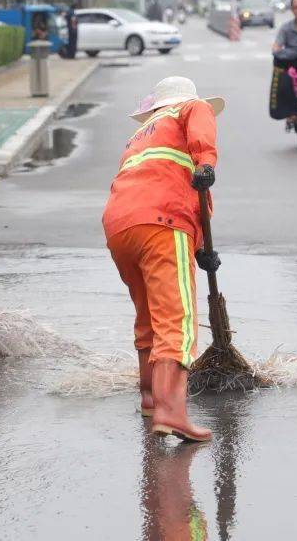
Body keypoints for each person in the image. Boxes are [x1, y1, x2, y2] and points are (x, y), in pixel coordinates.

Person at [103, 76, 225, 443]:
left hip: (120, 225)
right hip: (162, 221)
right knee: (177, 317)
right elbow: (194, 179)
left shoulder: (141, 137)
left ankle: (150, 398)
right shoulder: (192, 107)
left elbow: (162, 180)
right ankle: (171, 411)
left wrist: (200, 247)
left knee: (148, 317)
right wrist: (205, 162)